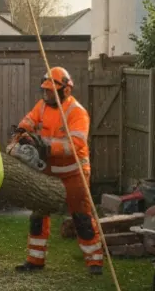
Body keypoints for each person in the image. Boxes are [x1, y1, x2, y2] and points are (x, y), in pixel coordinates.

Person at [11, 67, 104, 274]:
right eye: (45, 91)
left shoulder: (77, 112)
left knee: (81, 217)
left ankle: (94, 261)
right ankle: (35, 260)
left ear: (66, 91)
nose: (47, 95)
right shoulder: (42, 106)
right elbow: (28, 121)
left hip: (74, 173)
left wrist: (46, 146)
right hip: (49, 171)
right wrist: (21, 133)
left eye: (51, 91)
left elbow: (75, 144)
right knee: (38, 214)